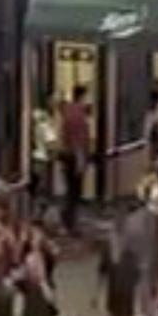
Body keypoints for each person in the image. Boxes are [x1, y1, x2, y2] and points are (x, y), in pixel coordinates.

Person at [58, 85, 94, 225]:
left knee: (70, 188)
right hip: (75, 156)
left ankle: (67, 215)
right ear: (82, 97)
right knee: (75, 190)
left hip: (68, 155)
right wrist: (81, 160)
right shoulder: (78, 116)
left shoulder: (68, 112)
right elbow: (78, 140)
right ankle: (69, 218)